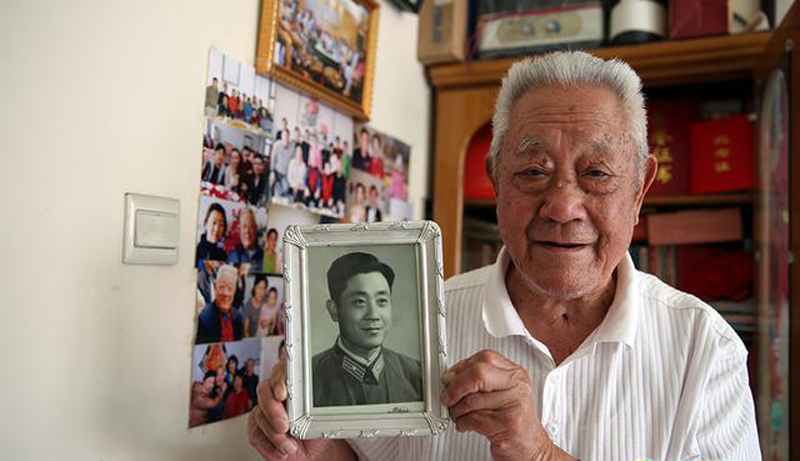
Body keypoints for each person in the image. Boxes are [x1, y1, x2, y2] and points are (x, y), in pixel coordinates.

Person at [248, 51, 762, 460]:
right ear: (497, 181)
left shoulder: (704, 348)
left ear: (639, 188)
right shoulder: (421, 325)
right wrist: (313, 451)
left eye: (596, 174)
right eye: (533, 172)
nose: (563, 207)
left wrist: (538, 453)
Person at [310, 252, 422, 408]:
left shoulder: (416, 374)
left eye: (382, 301)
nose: (373, 315)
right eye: (359, 302)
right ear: (334, 310)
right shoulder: (308, 376)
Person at [196, 264, 244, 344]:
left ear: (235, 290)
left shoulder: (238, 318)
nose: (226, 293)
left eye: (230, 288)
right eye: (222, 287)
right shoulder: (204, 319)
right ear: (215, 286)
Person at [271, 130, 294, 199]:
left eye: (287, 136)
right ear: (282, 137)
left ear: (289, 137)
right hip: (276, 172)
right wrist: (272, 171)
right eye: (284, 136)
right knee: (276, 191)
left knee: (285, 189)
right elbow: (273, 159)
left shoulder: (292, 147)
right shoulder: (277, 145)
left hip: (286, 174)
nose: (285, 138)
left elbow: (292, 162)